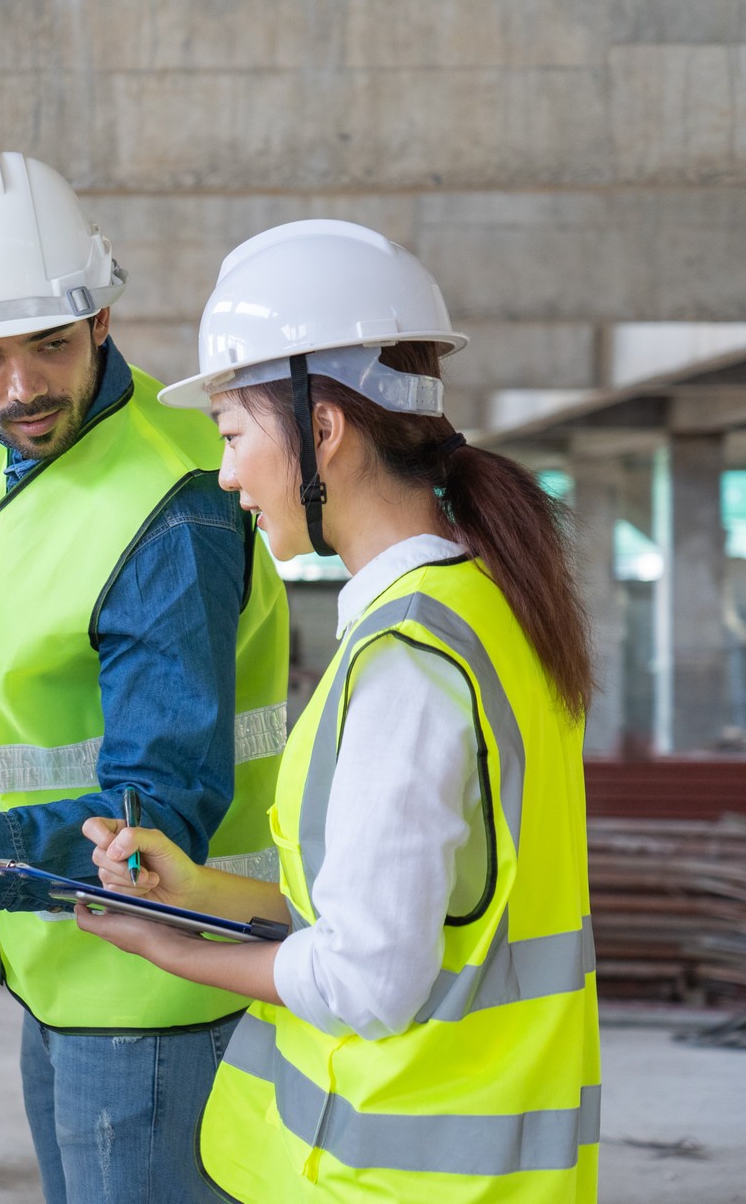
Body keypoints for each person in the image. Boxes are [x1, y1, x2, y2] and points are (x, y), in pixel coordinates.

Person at [76, 219, 599, 1201]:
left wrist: (172, 951)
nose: (226, 475)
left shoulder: (407, 664)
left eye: (232, 434)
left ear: (324, 430)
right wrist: (200, 891)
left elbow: (367, 979)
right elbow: (393, 915)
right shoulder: (489, 610)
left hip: (394, 1180)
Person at [0, 149, 290, 1202]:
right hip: (51, 956)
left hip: (161, 983)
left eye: (52, 347)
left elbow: (161, 809)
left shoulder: (173, 506)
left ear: (101, 320)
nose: (21, 387)